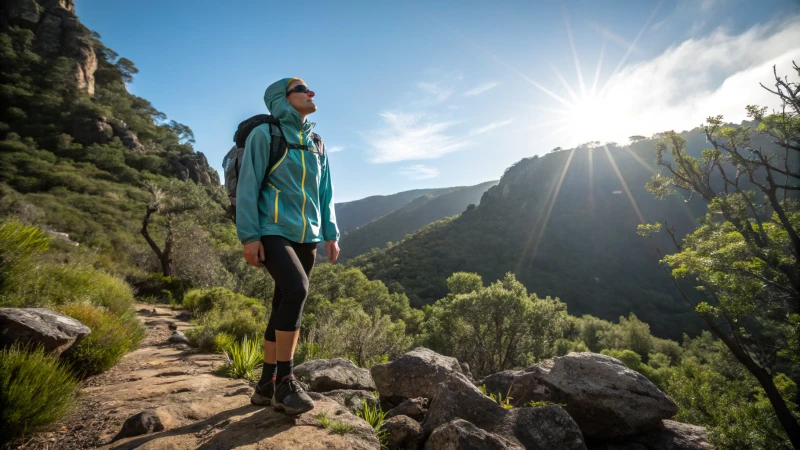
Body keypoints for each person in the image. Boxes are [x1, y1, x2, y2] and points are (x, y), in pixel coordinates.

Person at [236, 77, 340, 415]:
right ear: (283, 97)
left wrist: (331, 233)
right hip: (271, 229)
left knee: (282, 300)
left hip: (306, 235)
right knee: (297, 289)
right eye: (302, 89)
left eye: (311, 89)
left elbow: (326, 191)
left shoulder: (317, 143)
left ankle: (265, 384)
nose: (311, 93)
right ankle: (285, 381)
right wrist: (249, 236)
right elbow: (248, 186)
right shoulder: (266, 134)